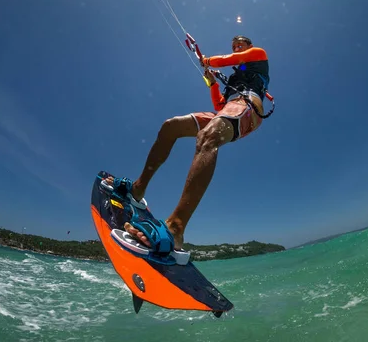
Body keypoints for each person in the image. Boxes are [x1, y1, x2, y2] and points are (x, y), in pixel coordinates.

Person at [103, 35, 270, 253]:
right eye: (233, 45)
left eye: (240, 44)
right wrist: (211, 82)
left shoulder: (259, 55)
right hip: (229, 108)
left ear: (249, 46)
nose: (237, 47)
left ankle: (175, 228)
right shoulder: (235, 76)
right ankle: (137, 190)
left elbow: (226, 60)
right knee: (171, 126)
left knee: (208, 137)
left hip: (248, 108)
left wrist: (208, 61)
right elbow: (219, 104)